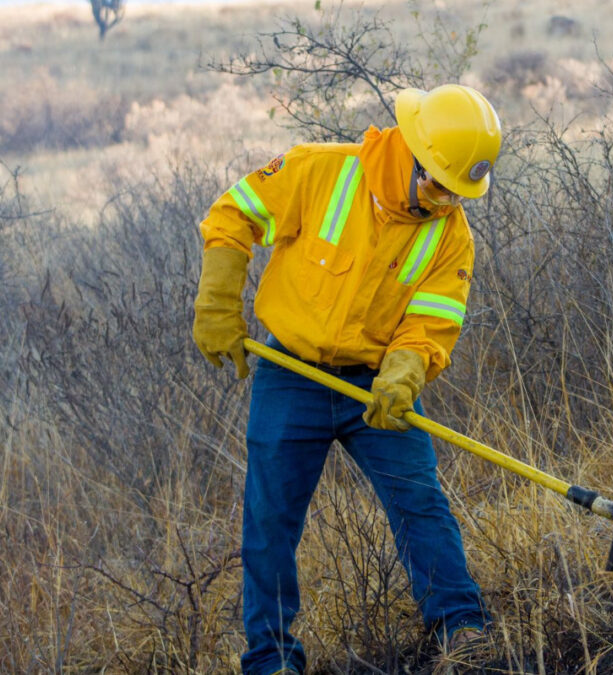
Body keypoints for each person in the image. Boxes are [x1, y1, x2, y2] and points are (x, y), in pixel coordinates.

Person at [191, 84, 502, 675]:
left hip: (374, 387)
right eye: (439, 186)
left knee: (420, 501)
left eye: (458, 193)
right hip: (291, 373)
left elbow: (430, 324)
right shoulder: (319, 169)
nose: (446, 203)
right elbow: (233, 215)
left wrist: (403, 375)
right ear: (413, 154)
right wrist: (217, 304)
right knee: (270, 519)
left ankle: (463, 629)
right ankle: (271, 659)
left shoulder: (451, 235)